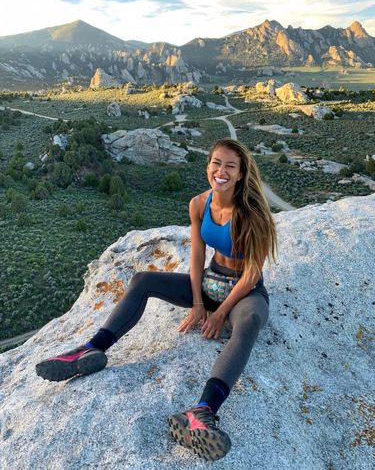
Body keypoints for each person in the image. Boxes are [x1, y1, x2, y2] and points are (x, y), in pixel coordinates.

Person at [36, 138, 278, 461]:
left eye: (229, 166)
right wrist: (197, 304)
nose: (221, 171)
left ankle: (202, 412)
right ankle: (92, 347)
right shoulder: (198, 204)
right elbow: (197, 255)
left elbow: (250, 275)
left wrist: (220, 314)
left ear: (240, 174)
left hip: (245, 293)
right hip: (210, 282)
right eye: (216, 163)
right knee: (142, 280)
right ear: (208, 166)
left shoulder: (253, 214)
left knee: (247, 323)